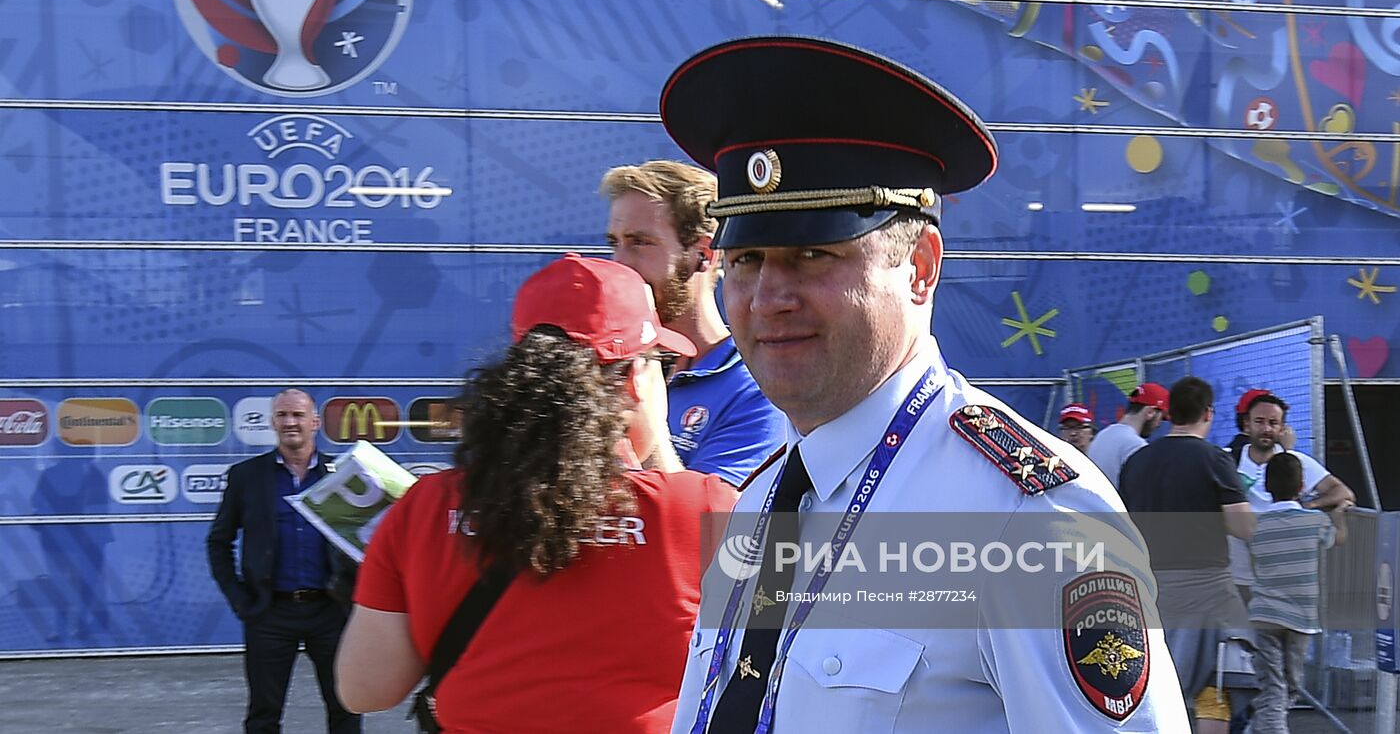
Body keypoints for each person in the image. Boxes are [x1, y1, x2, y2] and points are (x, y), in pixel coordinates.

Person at [662, 36, 1189, 732]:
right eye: (748, 258)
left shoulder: (1030, 518)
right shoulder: (761, 500)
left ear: (920, 266)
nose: (766, 297)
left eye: (813, 253)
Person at [336, 254, 738, 733]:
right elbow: (832, 622)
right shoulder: (704, 506)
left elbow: (364, 688)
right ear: (635, 378)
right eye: (661, 365)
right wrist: (659, 452)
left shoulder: (422, 507)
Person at [601, 159, 786, 485]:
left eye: (639, 242)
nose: (620, 264)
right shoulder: (601, 368)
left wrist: (649, 431)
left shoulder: (758, 387)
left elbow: (715, 531)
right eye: (614, 243)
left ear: (703, 253)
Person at [207, 388, 361, 734]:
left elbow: (365, 545)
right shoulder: (246, 477)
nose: (290, 422)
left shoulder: (342, 476)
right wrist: (241, 599)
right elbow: (219, 541)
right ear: (273, 422)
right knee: (264, 713)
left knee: (346, 708)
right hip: (269, 612)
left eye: (298, 415)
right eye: (282, 415)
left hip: (331, 612)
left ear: (315, 423)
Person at [1119, 376, 1254, 734]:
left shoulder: (1137, 461)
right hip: (1208, 591)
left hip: (1149, 591)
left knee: (1153, 689)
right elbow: (1243, 527)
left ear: (1168, 414)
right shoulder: (1215, 459)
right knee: (1216, 685)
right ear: (1208, 413)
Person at [1247, 453, 1351, 734]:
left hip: (1265, 614)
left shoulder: (1256, 525)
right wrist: (1339, 516)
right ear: (1302, 486)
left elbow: (1256, 562)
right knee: (1289, 683)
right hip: (1302, 617)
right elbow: (1338, 539)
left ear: (1267, 487)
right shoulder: (1315, 521)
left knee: (1274, 685)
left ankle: (1263, 723)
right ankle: (1272, 724)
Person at [1228, 391, 1355, 602]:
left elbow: (1343, 492)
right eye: (1259, 421)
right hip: (1237, 576)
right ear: (1247, 424)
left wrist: (1308, 505)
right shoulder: (1226, 460)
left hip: (1283, 581)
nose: (1267, 428)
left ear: (1282, 428)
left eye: (1273, 422)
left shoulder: (1297, 461)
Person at [1088, 383, 1169, 492]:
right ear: (1150, 412)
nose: (1158, 425)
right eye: (1161, 418)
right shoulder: (1135, 445)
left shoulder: (1102, 435)